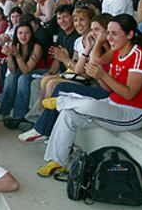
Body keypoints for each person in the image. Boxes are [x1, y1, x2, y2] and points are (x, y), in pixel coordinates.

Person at [37, 14, 142, 176]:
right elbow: (96, 60)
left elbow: (129, 94)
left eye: (114, 33)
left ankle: (62, 101)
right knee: (68, 114)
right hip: (113, 103)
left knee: (88, 105)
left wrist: (104, 76)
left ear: (129, 35)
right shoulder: (116, 51)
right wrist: (99, 40)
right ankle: (58, 162)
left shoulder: (140, 56)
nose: (109, 37)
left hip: (133, 112)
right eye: (108, 33)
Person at [19, 13, 114, 142]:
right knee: (46, 81)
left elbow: (84, 71)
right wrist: (88, 49)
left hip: (102, 89)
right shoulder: (94, 45)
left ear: (107, 30)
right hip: (93, 82)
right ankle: (43, 124)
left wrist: (68, 58)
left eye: (96, 29)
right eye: (92, 29)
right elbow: (79, 68)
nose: (92, 33)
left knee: (58, 86)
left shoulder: (108, 49)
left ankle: (44, 128)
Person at [0, 22, 45, 128]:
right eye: (20, 33)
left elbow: (26, 71)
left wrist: (17, 55)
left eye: (27, 33)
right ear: (16, 35)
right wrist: (9, 56)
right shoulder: (15, 45)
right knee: (11, 77)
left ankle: (19, 116)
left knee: (23, 78)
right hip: (26, 71)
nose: (23, 36)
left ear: (31, 34)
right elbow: (13, 70)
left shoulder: (37, 47)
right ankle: (4, 112)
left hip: (40, 71)